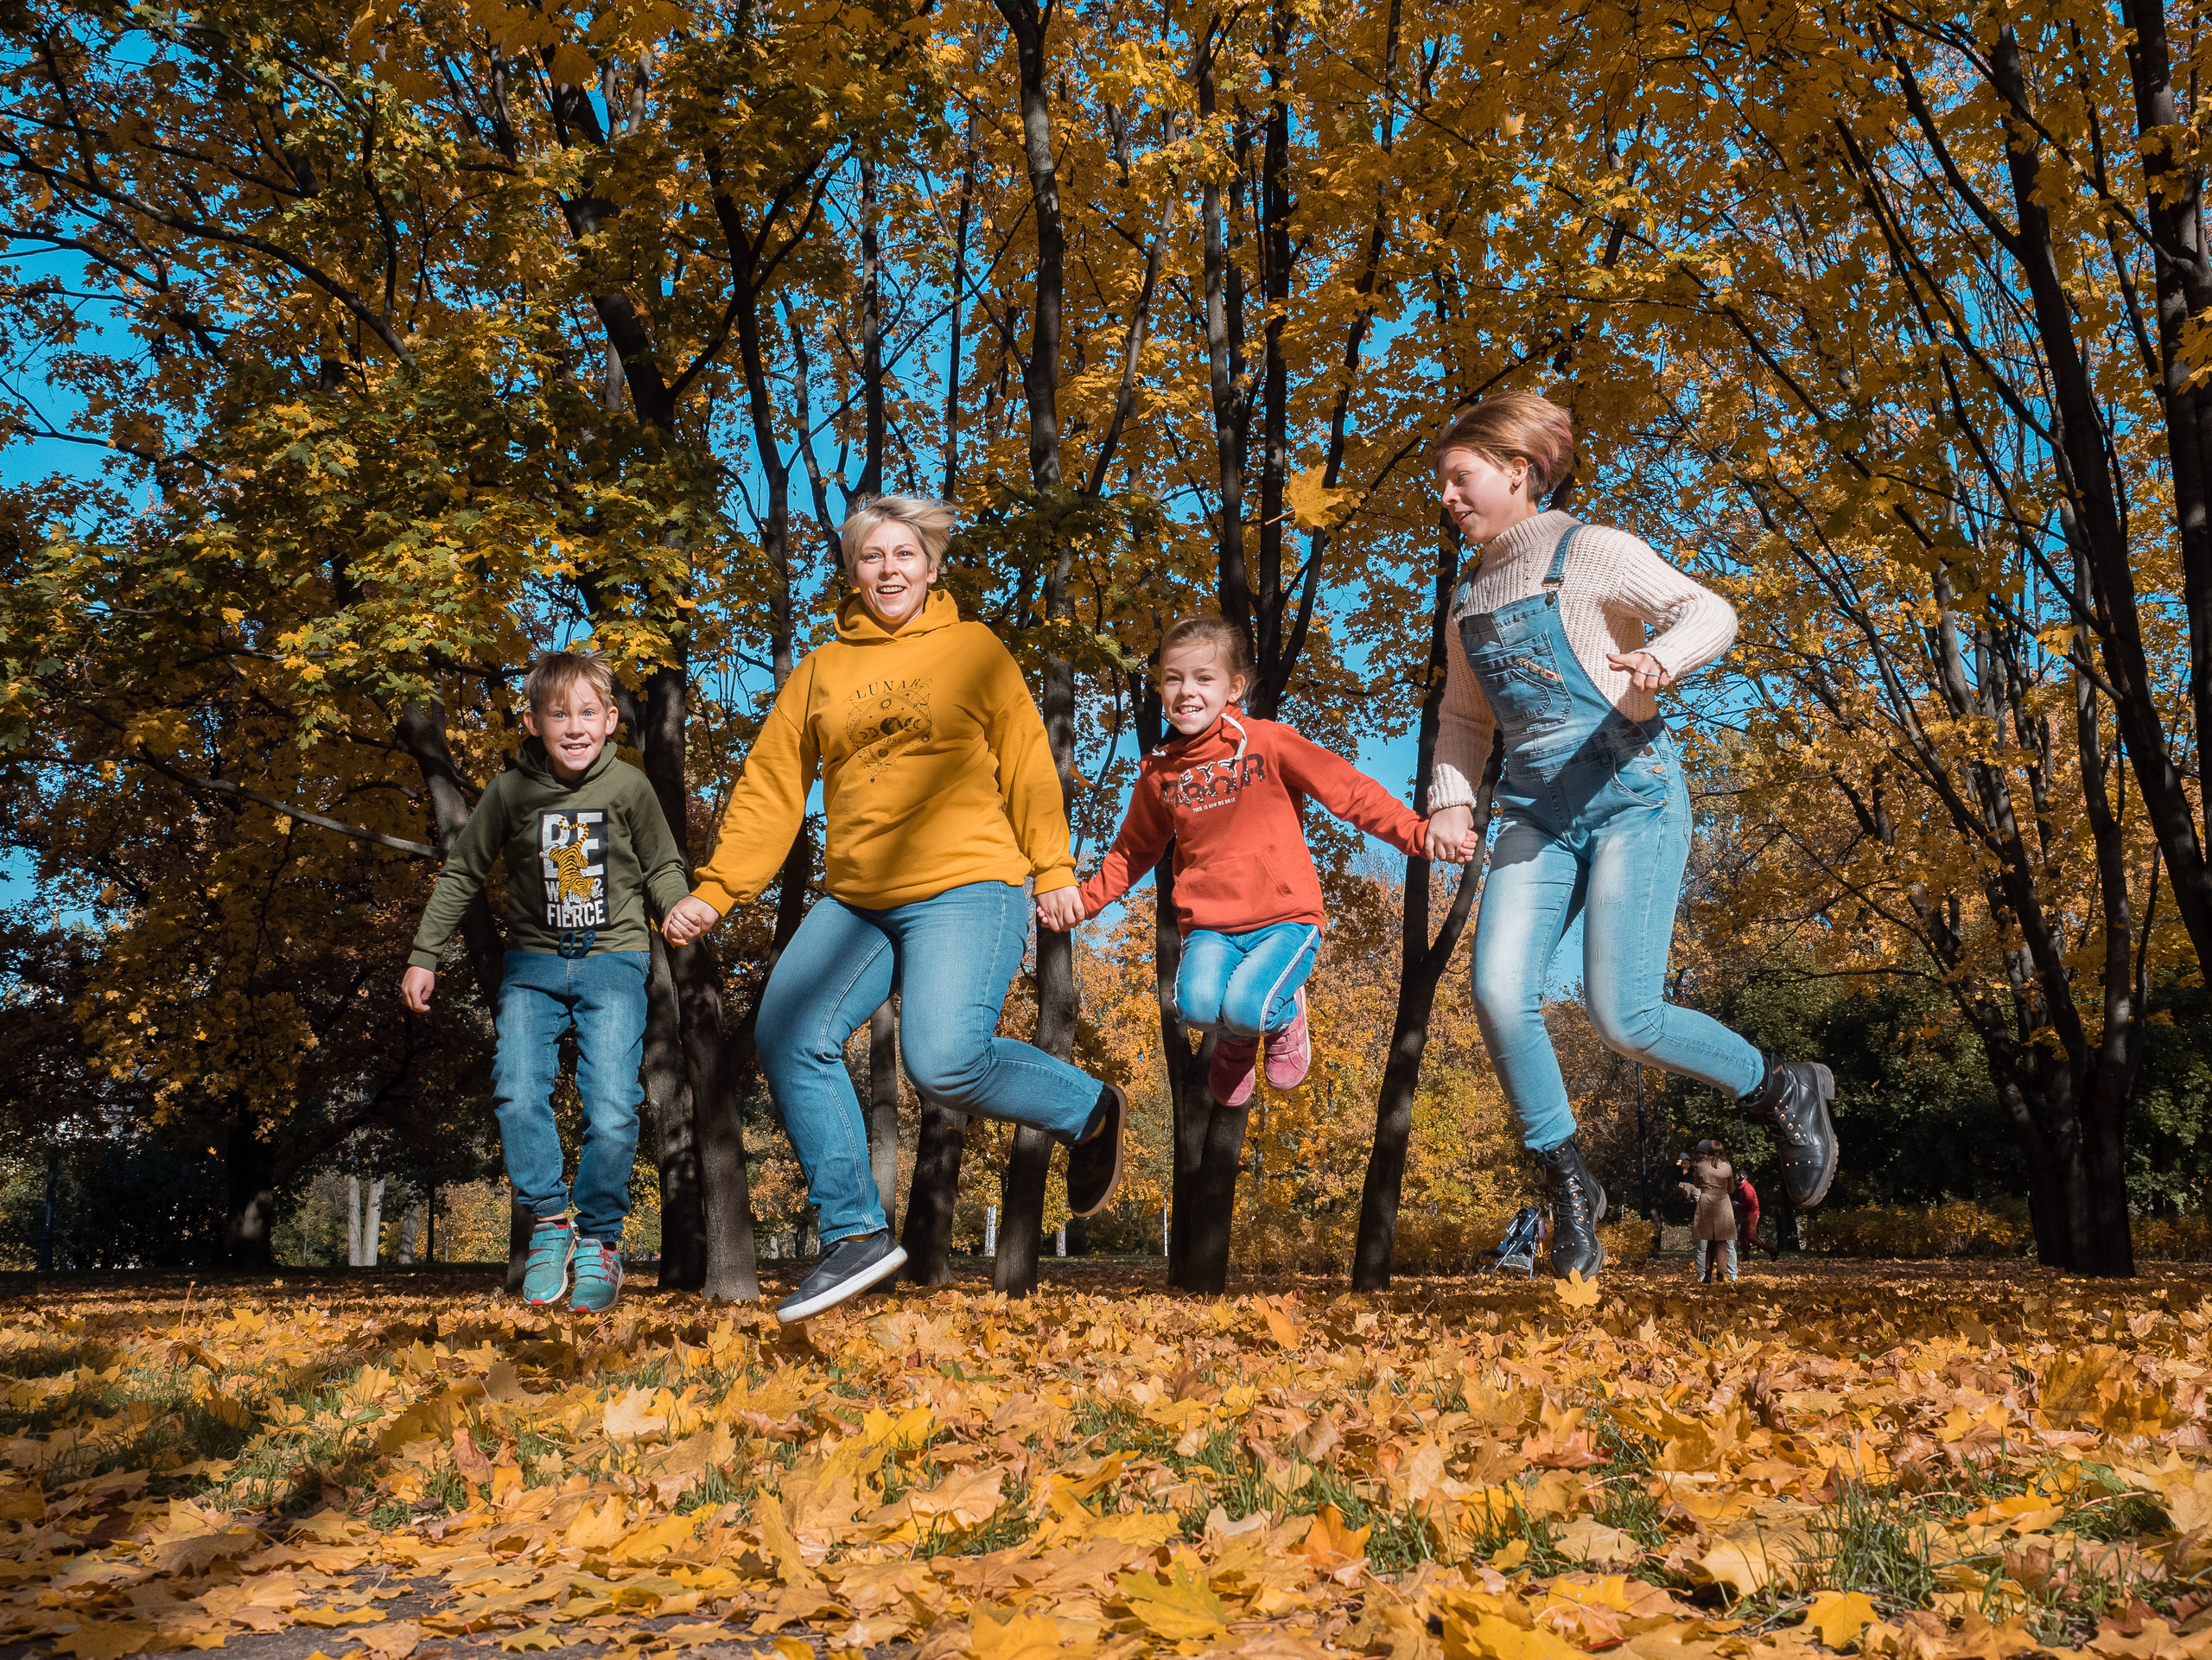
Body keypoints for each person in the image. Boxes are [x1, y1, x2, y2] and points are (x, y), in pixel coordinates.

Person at [661, 494, 1128, 1324]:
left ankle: (1088, 1107)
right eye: (871, 556)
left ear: (932, 565)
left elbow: (1026, 760)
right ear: (851, 571)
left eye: (904, 554)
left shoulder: (976, 651)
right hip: (861, 894)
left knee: (941, 1060)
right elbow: (770, 786)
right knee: (788, 1032)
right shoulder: (821, 671)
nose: (889, 569)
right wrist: (719, 886)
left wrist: (1054, 865)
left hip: (970, 881)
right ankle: (854, 1234)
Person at [1422, 392, 1839, 1281]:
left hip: (1629, 797)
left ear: (1516, 472)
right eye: (1442, 484)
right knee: (1498, 994)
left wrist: (1661, 657)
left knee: (1625, 1017)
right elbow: (1463, 718)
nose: (1448, 497)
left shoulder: (1591, 551)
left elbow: (1709, 611)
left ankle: (1777, 1085)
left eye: (1460, 479)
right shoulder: (1467, 599)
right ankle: (1571, 1190)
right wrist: (1451, 803)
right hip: (1535, 813)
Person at [400, 650, 690, 1315]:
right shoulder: (511, 791)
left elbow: (662, 864)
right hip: (531, 964)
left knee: (613, 1107)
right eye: (559, 713)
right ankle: (551, 1223)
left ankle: (601, 1242)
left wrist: (674, 906)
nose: (576, 725)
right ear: (532, 722)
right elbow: (463, 872)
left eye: (589, 712)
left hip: (613, 960)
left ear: (612, 719)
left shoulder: (629, 788)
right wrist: (425, 954)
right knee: (515, 1087)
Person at [1043, 615, 1433, 1103]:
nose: (1187, 691)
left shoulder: (1268, 742)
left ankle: (1281, 1016)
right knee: (1197, 1008)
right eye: (1173, 678)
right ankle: (1237, 1036)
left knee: (1249, 1007)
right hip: (1209, 926)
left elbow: (1349, 791)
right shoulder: (1159, 774)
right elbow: (1133, 850)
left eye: (1204, 678)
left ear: (1234, 688)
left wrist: (1416, 835)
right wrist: (1084, 902)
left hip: (1284, 918)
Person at [1680, 1140, 1739, 1283]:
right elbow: (1731, 1189)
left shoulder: (1700, 1166)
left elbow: (1697, 1185)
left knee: (1708, 1240)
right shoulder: (1727, 1166)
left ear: (1708, 1152)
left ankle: (1707, 1274)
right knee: (1722, 1241)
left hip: (1706, 1203)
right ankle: (1721, 1273)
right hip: (1723, 1203)